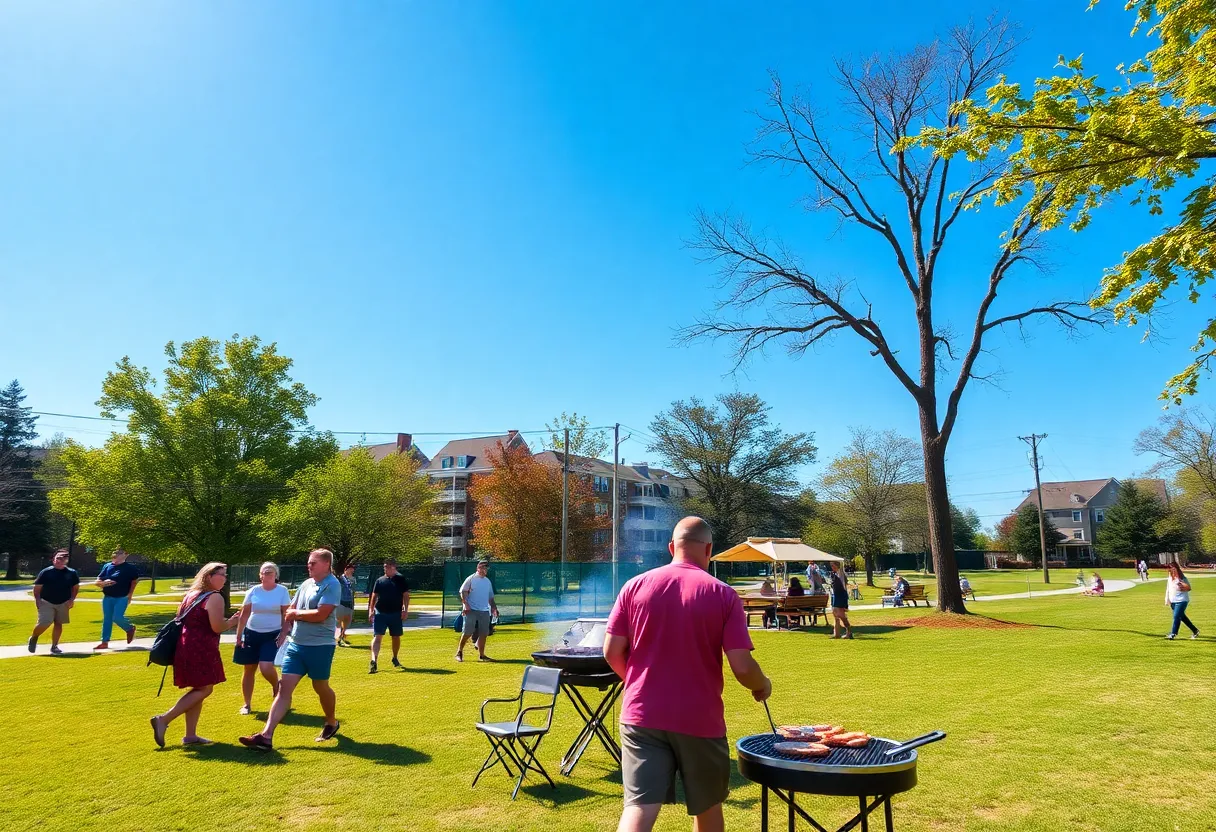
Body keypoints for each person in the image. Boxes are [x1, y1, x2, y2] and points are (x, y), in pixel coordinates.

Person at [604, 517, 770, 832]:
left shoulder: (633, 586)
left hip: (641, 715)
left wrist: (639, 684)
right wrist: (763, 685)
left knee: (638, 807)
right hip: (699, 719)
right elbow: (743, 667)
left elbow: (611, 652)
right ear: (709, 549)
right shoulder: (723, 594)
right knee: (707, 809)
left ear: (671, 547)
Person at [239, 548, 342, 751]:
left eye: (313, 563)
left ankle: (331, 721)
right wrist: (285, 631)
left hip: (320, 646)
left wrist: (296, 614)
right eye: (308, 562)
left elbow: (321, 614)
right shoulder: (306, 584)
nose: (309, 566)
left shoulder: (332, 585)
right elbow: (289, 611)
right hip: (296, 646)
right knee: (284, 689)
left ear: (326, 565)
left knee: (320, 687)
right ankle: (266, 736)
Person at [149, 562, 239, 748]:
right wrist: (233, 622)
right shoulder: (215, 597)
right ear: (209, 577)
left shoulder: (190, 595)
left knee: (198, 690)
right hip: (201, 648)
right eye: (221, 574)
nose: (225, 578)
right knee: (205, 688)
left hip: (185, 647)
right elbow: (217, 627)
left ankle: (190, 735)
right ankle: (164, 719)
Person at [233, 562, 290, 715]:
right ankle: (247, 704)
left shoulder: (282, 591)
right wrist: (239, 635)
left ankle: (276, 686)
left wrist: (284, 633)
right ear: (260, 575)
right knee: (249, 669)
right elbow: (244, 614)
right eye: (264, 572)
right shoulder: (253, 591)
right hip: (252, 634)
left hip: (272, 634)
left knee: (265, 666)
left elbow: (286, 615)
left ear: (276, 576)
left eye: (270, 572)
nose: (267, 574)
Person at [28, 549, 79, 654]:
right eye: (58, 558)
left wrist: (72, 599)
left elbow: (75, 587)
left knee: (58, 623)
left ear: (66, 560)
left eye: (63, 558)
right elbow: (37, 588)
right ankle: (34, 637)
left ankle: (54, 646)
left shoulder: (72, 573)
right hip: (46, 601)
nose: (60, 560)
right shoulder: (46, 572)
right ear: (53, 559)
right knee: (45, 622)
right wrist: (37, 600)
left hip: (63, 602)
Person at [368, 558, 411, 673]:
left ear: (394, 567)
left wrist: (405, 610)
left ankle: (395, 657)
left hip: (396, 613)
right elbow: (374, 596)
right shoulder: (380, 580)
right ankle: (374, 661)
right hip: (380, 612)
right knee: (377, 636)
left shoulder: (400, 580)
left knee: (396, 636)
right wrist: (371, 610)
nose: (385, 569)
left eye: (387, 567)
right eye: (384, 567)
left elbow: (406, 595)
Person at [94, 548, 140, 650]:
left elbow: (134, 581)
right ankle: (104, 642)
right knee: (107, 619)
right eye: (115, 552)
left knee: (117, 617)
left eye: (119, 553)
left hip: (122, 597)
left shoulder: (130, 568)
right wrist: (103, 583)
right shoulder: (107, 566)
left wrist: (130, 595)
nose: (116, 554)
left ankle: (129, 628)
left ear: (125, 555)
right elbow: (98, 580)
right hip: (108, 597)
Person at [456, 560, 499, 662]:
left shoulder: (487, 581)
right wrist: (466, 605)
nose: (485, 570)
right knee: (467, 632)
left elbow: (490, 598)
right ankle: (459, 652)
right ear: (478, 568)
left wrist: (494, 608)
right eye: (483, 568)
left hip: (484, 610)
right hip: (471, 610)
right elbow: (463, 591)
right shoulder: (471, 579)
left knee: (484, 633)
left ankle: (482, 655)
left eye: (486, 568)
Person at [1165, 562, 1199, 640]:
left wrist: (1182, 587)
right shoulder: (1170, 578)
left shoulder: (1182, 578)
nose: (1172, 570)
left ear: (1177, 568)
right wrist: (1167, 599)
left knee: (1176, 616)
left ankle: (1173, 633)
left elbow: (1189, 588)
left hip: (1182, 600)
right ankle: (1195, 630)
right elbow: (1168, 589)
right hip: (1173, 601)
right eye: (1170, 568)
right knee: (1182, 617)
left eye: (1173, 568)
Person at [829, 562, 853, 640]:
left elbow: (843, 586)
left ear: (837, 565)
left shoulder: (841, 574)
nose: (832, 567)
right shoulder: (835, 574)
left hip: (840, 595)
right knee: (835, 614)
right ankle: (837, 633)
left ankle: (849, 633)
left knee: (841, 615)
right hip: (835, 595)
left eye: (833, 565)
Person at [335, 563, 356, 647]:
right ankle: (338, 639)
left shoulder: (353, 579)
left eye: (352, 569)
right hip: (341, 601)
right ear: (346, 569)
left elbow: (353, 591)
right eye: (350, 569)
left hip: (349, 602)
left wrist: (353, 603)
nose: (352, 570)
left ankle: (342, 636)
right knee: (339, 621)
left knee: (347, 621)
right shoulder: (340, 578)